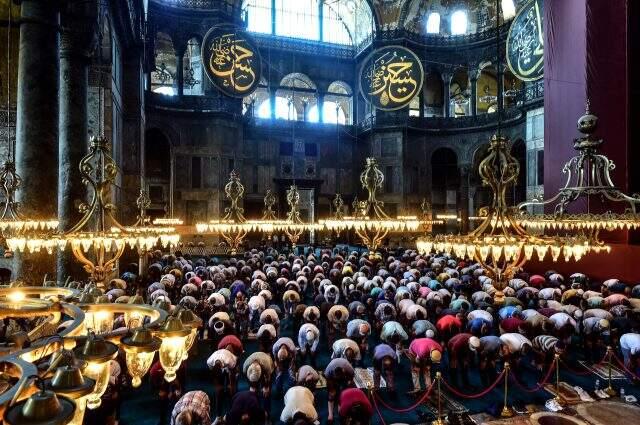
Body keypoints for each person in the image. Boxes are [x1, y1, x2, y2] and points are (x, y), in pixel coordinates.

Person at [207, 348, 238, 419]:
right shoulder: (209, 361)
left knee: (231, 390)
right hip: (219, 358)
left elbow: (232, 374)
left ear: (221, 367)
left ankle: (232, 411)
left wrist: (231, 385)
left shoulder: (230, 361)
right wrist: (217, 386)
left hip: (229, 358)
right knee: (218, 392)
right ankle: (218, 415)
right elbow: (214, 375)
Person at [324, 357, 355, 424]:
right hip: (331, 378)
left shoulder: (348, 368)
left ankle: (341, 409)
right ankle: (330, 415)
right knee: (331, 395)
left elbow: (352, 376)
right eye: (336, 377)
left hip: (345, 377)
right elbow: (328, 380)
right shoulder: (328, 371)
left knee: (343, 394)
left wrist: (349, 382)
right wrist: (332, 390)